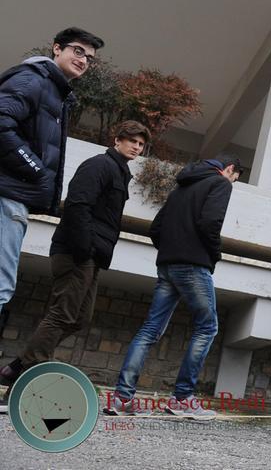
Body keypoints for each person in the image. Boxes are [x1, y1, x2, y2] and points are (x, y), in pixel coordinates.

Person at [0, 122, 149, 390]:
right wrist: (84, 249)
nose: (137, 147)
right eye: (132, 141)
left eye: (140, 144)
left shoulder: (120, 172)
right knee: (62, 315)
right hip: (76, 252)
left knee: (79, 318)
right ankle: (26, 382)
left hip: (92, 255)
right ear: (118, 140)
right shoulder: (99, 165)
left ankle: (16, 368)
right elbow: (77, 205)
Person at [105, 154, 243, 420]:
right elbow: (209, 224)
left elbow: (156, 228)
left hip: (167, 265)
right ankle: (182, 399)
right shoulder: (220, 184)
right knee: (207, 327)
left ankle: (122, 398)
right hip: (193, 265)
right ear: (229, 169)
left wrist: (171, 251)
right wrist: (213, 254)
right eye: (235, 177)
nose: (233, 182)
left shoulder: (183, 185)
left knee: (150, 329)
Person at [0, 27, 104, 321]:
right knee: (1, 288)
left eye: (90, 58)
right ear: (57, 48)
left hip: (10, 197)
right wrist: (34, 168)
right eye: (78, 51)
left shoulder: (56, 93)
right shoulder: (34, 80)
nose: (83, 60)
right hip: (7, 197)